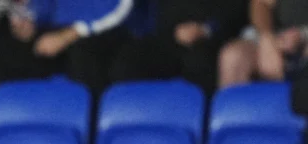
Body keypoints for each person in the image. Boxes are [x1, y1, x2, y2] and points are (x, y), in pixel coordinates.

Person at [110, 0, 247, 94]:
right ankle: (132, 125)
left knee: (199, 62)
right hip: (167, 38)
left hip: (209, 39)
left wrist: (206, 29)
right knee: (129, 60)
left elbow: (237, 11)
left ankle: (203, 128)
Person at [218, 0, 308, 88]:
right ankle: (235, 102)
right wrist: (267, 39)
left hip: (303, 39)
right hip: (277, 34)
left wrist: (303, 35)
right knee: (233, 57)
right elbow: (261, 3)